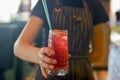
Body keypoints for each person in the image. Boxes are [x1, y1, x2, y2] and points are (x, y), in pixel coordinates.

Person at [14, 0, 110, 80]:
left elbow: (99, 53)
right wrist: (40, 56)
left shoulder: (95, 4)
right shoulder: (47, 2)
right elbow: (19, 47)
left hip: (83, 75)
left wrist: (70, 61)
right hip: (49, 74)